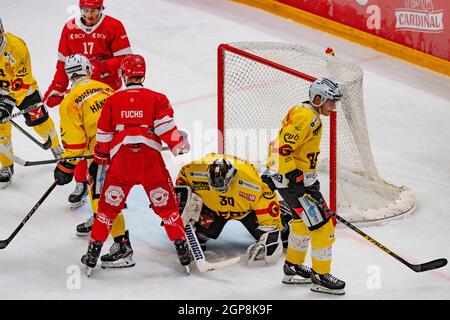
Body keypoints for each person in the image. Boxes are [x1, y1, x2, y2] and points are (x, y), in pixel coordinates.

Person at [81, 54, 191, 275]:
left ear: (123, 74)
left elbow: (103, 136)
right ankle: (183, 251)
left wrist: (102, 157)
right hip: (150, 164)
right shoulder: (157, 98)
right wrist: (178, 143)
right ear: (143, 74)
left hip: (122, 165)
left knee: (106, 211)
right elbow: (166, 130)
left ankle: (92, 253)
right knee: (168, 209)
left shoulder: (112, 100)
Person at [43, 0, 133, 209]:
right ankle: (82, 183)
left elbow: (126, 60)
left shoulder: (114, 26)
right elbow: (62, 65)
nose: (90, 14)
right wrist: (54, 91)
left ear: (102, 9)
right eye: (86, 10)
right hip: (79, 92)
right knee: (79, 140)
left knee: (106, 143)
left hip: (106, 92)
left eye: (94, 10)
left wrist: (100, 65)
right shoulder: (69, 28)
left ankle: (111, 187)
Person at [261, 78, 346, 295]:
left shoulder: (304, 111)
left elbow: (279, 145)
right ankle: (321, 275)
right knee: (323, 228)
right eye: (330, 102)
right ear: (318, 99)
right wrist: (292, 178)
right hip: (296, 183)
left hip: (295, 180)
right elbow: (282, 147)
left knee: (300, 223)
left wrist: (277, 173)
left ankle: (293, 267)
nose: (333, 107)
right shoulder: (308, 117)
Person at [52, 53, 133, 268]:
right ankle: (99, 221)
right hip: (128, 148)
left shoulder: (69, 101)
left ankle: (122, 246)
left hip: (103, 154)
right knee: (99, 190)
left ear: (69, 76)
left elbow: (76, 144)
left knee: (104, 199)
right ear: (89, 70)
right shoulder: (107, 89)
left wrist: (65, 166)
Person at [175, 153, 289, 267]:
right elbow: (181, 184)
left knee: (281, 236)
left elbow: (265, 197)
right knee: (199, 236)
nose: (220, 190)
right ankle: (200, 233)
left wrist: (270, 228)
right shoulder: (194, 171)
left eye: (223, 187)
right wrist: (184, 206)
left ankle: (283, 213)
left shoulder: (249, 181)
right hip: (214, 209)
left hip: (246, 211)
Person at [0, 18, 63, 188]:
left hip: (24, 90)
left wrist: (7, 103)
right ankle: (6, 165)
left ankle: (56, 147)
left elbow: (22, 80)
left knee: (40, 122)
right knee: (1, 130)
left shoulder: (16, 48)